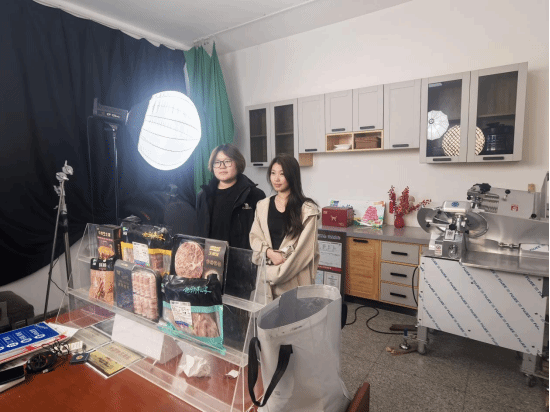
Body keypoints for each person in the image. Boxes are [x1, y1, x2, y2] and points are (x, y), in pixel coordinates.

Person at [249, 153, 320, 301]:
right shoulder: (262, 206)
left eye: (282, 174)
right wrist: (269, 253)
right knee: (265, 315)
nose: (276, 179)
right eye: (273, 173)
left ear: (292, 176)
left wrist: (273, 273)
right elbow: (254, 238)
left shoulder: (308, 210)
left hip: (293, 280)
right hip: (265, 283)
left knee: (292, 315)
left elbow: (303, 253)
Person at [196, 144, 265, 249]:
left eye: (227, 161)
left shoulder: (254, 195)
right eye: (217, 162)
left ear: (237, 163)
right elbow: (199, 233)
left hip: (243, 257)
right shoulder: (203, 196)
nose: (222, 166)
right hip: (211, 257)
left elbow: (262, 235)